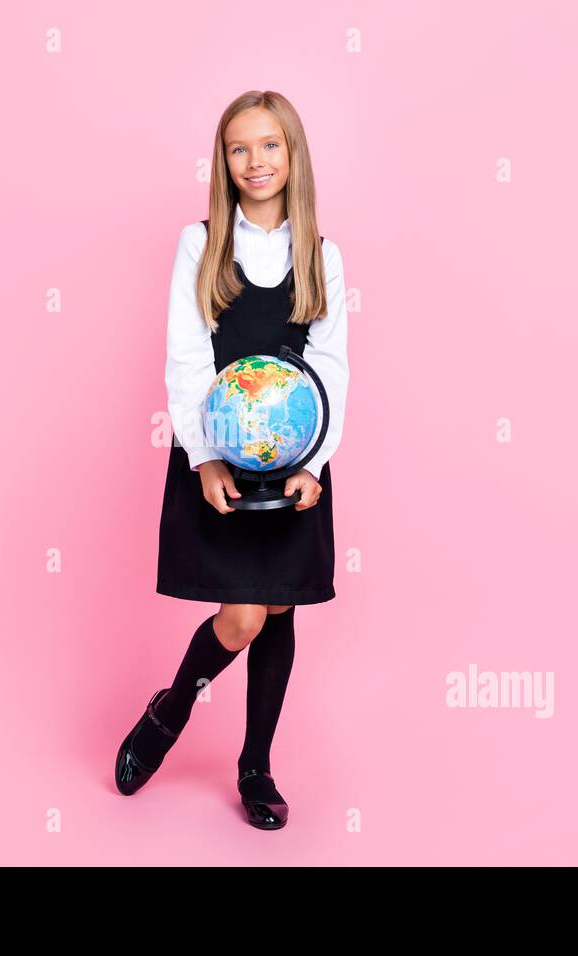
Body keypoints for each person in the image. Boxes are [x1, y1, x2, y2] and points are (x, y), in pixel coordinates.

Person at [115, 90, 350, 830]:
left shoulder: (322, 255)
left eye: (271, 145)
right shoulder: (203, 242)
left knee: (279, 605)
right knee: (243, 615)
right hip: (219, 457)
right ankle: (172, 707)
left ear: (293, 155)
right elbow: (187, 356)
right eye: (240, 148)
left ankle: (256, 765)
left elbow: (332, 364)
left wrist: (316, 461)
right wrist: (201, 458)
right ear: (223, 161)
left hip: (293, 461)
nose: (257, 161)